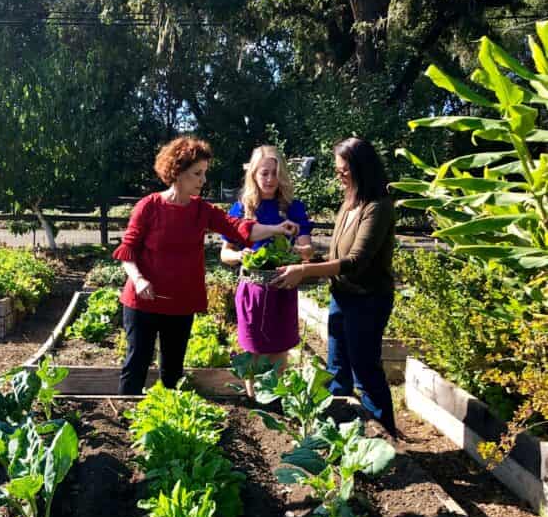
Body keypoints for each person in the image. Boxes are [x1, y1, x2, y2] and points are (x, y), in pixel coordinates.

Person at [113, 136, 297, 395]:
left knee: (173, 372)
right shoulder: (150, 206)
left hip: (180, 304)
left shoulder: (202, 210)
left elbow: (239, 228)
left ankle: (168, 422)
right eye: (197, 174)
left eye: (204, 173)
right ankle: (125, 418)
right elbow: (127, 251)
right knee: (136, 364)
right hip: (143, 301)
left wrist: (276, 228)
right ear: (177, 173)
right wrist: (139, 279)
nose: (203, 180)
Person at [271, 136, 397, 436]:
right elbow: (338, 256)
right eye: (337, 169)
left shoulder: (377, 207)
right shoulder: (349, 203)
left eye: (343, 170)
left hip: (368, 300)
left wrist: (305, 270)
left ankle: (385, 433)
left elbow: (356, 261)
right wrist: (310, 257)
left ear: (360, 168)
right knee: (336, 367)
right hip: (342, 296)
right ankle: (341, 431)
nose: (338, 175)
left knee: (365, 370)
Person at [220, 145, 313, 395]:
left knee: (279, 350)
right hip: (253, 290)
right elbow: (224, 253)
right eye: (264, 173)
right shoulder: (242, 209)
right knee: (253, 349)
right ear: (254, 175)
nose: (270, 179)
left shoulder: (293, 208)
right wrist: (240, 255)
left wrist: (298, 252)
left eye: (275, 173)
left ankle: (274, 397)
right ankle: (254, 400)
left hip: (283, 287)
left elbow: (307, 250)